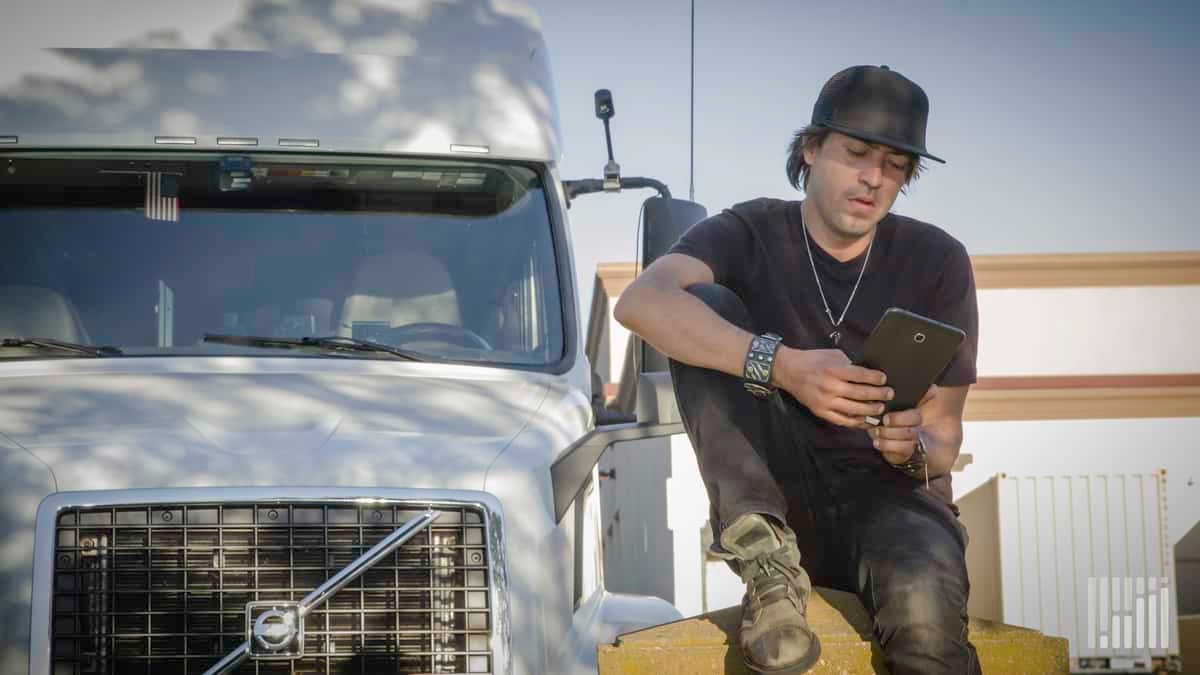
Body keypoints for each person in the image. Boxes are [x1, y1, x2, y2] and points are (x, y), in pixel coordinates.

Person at [613, 64, 980, 675]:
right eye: (856, 152)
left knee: (924, 618)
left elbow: (944, 438)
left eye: (894, 166)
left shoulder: (938, 259)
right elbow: (641, 302)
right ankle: (767, 567)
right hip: (775, 504)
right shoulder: (747, 231)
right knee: (702, 308)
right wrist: (781, 365)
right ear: (810, 149)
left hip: (894, 503)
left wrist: (910, 446)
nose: (872, 178)